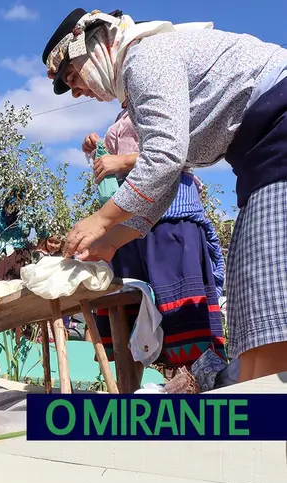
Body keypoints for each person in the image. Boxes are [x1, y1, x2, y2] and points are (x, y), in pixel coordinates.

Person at [42, 8, 287, 382]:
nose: (76, 91)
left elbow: (164, 158)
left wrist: (101, 219)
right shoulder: (138, 85)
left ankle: (261, 421)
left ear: (96, 46)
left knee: (268, 296)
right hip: (261, 156)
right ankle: (255, 407)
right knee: (255, 303)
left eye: (73, 76)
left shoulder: (145, 56)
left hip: (278, 135)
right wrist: (110, 243)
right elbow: (165, 180)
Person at [84, 108, 227, 370]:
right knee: (127, 316)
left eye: (73, 77)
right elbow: (117, 175)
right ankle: (128, 398)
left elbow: (176, 152)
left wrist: (123, 162)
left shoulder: (166, 98)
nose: (79, 91)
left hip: (171, 217)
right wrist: (99, 152)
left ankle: (197, 393)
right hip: (127, 224)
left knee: (184, 323)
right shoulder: (121, 116)